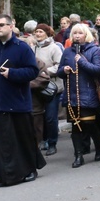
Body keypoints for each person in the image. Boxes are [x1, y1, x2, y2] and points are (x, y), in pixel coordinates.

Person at [0, 14, 44, 189]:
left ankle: (30, 169)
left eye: (1, 25)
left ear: (10, 26)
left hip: (18, 101)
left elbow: (32, 71)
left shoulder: (21, 47)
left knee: (23, 139)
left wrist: (12, 74)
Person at [57, 23, 100, 168]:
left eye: (80, 33)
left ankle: (99, 146)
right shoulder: (67, 52)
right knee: (75, 126)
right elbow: (59, 71)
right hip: (71, 94)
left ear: (86, 35)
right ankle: (78, 155)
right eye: (75, 33)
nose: (77, 36)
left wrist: (82, 62)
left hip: (88, 93)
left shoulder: (95, 51)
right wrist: (64, 70)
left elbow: (98, 70)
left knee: (89, 124)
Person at [33, 23, 63, 156]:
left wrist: (44, 72)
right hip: (37, 87)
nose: (38, 34)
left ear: (47, 33)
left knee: (51, 117)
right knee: (40, 116)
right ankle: (42, 140)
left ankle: (52, 143)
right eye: (36, 32)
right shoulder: (32, 48)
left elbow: (60, 66)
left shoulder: (54, 48)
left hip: (51, 88)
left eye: (40, 32)